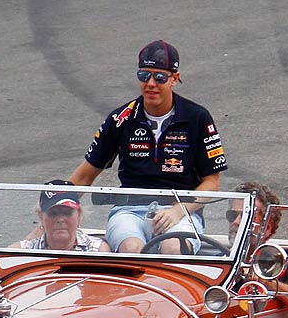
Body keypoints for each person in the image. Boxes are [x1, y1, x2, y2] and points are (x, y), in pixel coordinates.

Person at [68, 40, 228, 253]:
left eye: (160, 77)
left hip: (179, 211)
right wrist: (51, 214)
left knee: (172, 247)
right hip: (129, 210)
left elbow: (212, 184)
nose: (151, 83)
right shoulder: (120, 119)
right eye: (144, 76)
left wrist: (178, 210)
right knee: (131, 248)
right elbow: (82, 177)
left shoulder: (197, 117)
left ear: (175, 79)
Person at [226, 181, 288, 318]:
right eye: (232, 215)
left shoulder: (284, 265)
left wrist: (270, 283)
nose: (236, 222)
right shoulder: (217, 260)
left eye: (247, 217)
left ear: (267, 228)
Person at [11, 183, 107, 252]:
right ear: (41, 217)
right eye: (53, 214)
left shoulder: (97, 250)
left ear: (79, 216)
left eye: (67, 213)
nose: (60, 220)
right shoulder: (22, 252)